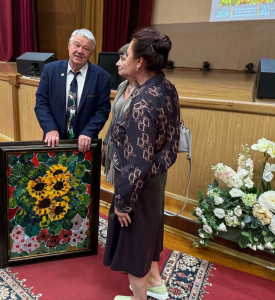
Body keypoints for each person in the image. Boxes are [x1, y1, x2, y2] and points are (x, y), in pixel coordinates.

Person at [103, 28, 181, 300]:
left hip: (140, 184)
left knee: (135, 243)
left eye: (129, 52)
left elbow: (137, 163)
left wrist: (123, 202)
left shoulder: (142, 104)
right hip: (156, 178)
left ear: (139, 62)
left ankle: (139, 298)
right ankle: (157, 286)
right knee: (147, 235)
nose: (122, 58)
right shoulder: (166, 85)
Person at [35, 28, 111, 152]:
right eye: (77, 45)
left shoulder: (101, 77)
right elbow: (41, 103)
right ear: (69, 45)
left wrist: (89, 131)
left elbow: (102, 110)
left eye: (86, 49)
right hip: (54, 141)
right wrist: (50, 128)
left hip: (84, 144)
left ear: (90, 53)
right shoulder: (50, 70)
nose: (80, 51)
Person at [101, 43, 138, 184]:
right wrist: (106, 141)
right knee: (118, 191)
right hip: (115, 147)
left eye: (122, 59)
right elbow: (115, 118)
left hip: (130, 155)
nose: (117, 63)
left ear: (136, 62)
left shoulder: (144, 91)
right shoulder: (123, 85)